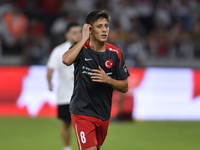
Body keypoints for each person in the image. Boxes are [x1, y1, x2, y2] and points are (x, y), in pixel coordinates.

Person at [62, 10, 130, 150]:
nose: (104, 30)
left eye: (106, 26)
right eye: (99, 26)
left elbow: (124, 86)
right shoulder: (81, 48)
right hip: (82, 112)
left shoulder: (115, 54)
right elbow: (66, 60)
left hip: (103, 114)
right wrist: (83, 38)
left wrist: (108, 80)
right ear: (90, 29)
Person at [47, 22, 82, 150]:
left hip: (84, 95)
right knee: (66, 123)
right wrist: (49, 81)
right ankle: (67, 148)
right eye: (74, 32)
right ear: (67, 35)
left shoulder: (88, 49)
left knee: (85, 124)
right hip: (66, 95)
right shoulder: (59, 50)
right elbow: (50, 69)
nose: (78, 35)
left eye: (79, 32)